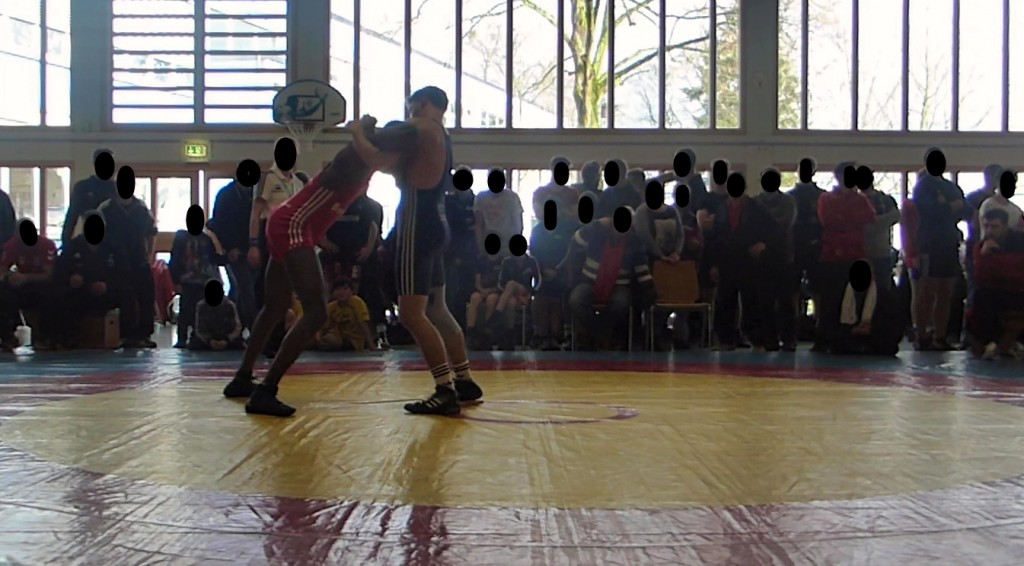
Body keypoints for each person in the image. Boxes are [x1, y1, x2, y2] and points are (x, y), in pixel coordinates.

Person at [220, 116, 404, 417]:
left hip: (289, 223)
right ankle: (266, 390)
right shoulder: (353, 158)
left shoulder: (364, 162)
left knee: (275, 306)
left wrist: (365, 133)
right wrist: (359, 131)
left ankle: (242, 378)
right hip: (293, 226)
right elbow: (376, 157)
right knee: (317, 312)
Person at [350, 86, 483, 416]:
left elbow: (376, 158)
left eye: (411, 107)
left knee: (411, 314)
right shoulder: (441, 135)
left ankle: (444, 390)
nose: (409, 113)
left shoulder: (419, 128)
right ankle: (464, 380)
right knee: (437, 309)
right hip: (437, 222)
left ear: (423, 104)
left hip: (416, 223)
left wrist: (358, 131)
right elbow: (396, 161)